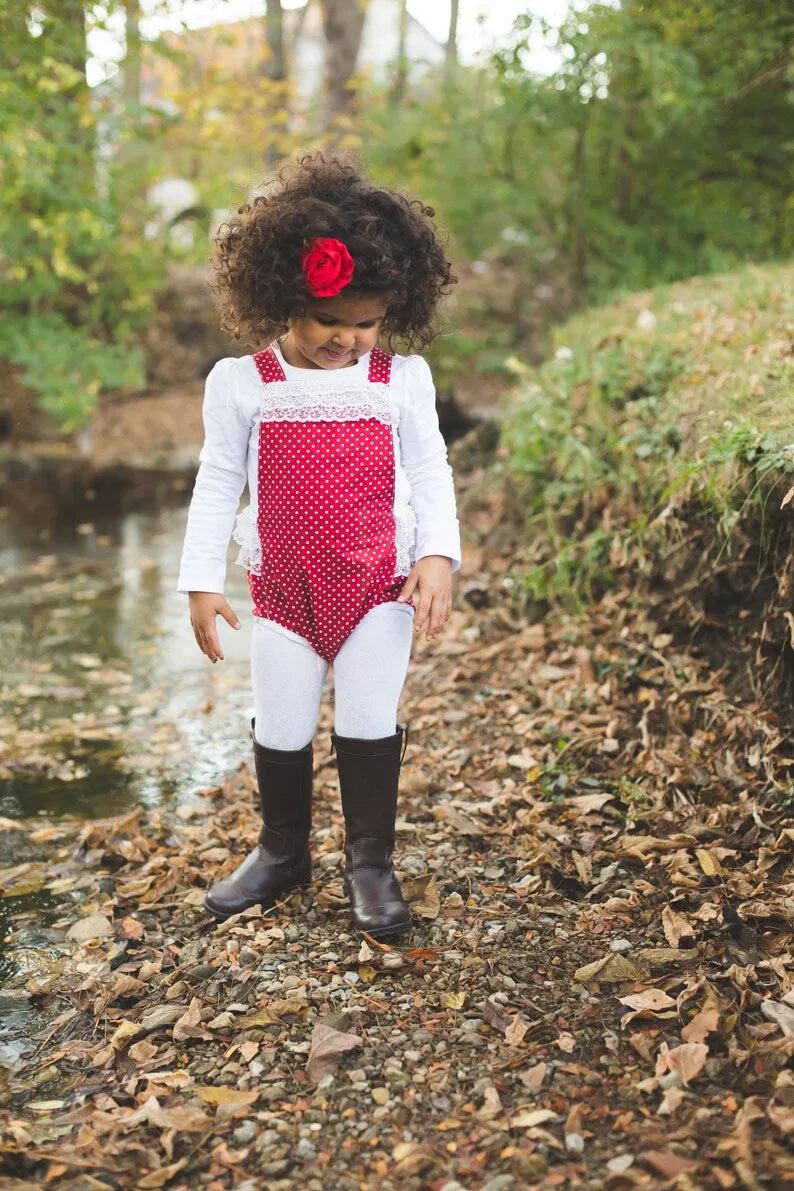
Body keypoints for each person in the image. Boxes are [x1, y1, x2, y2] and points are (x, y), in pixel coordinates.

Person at [177, 152, 461, 938]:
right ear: (283, 298)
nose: (348, 340)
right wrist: (202, 579)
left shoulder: (399, 379)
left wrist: (436, 555)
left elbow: (431, 466)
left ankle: (370, 863)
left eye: (366, 323)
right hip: (284, 591)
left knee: (369, 718)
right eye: (330, 322)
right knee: (282, 720)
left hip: (379, 586)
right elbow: (217, 479)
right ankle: (281, 851)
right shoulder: (242, 382)